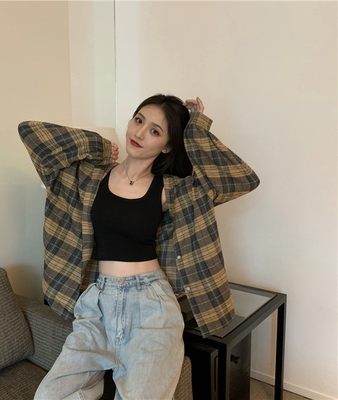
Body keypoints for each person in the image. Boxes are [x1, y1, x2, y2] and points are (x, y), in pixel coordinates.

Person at [18, 94, 260, 400]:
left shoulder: (173, 189)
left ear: (167, 145)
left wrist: (195, 128)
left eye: (155, 131)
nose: (140, 133)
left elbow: (242, 179)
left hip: (151, 307)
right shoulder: (88, 176)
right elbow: (31, 133)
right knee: (49, 396)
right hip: (98, 304)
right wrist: (99, 147)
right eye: (139, 120)